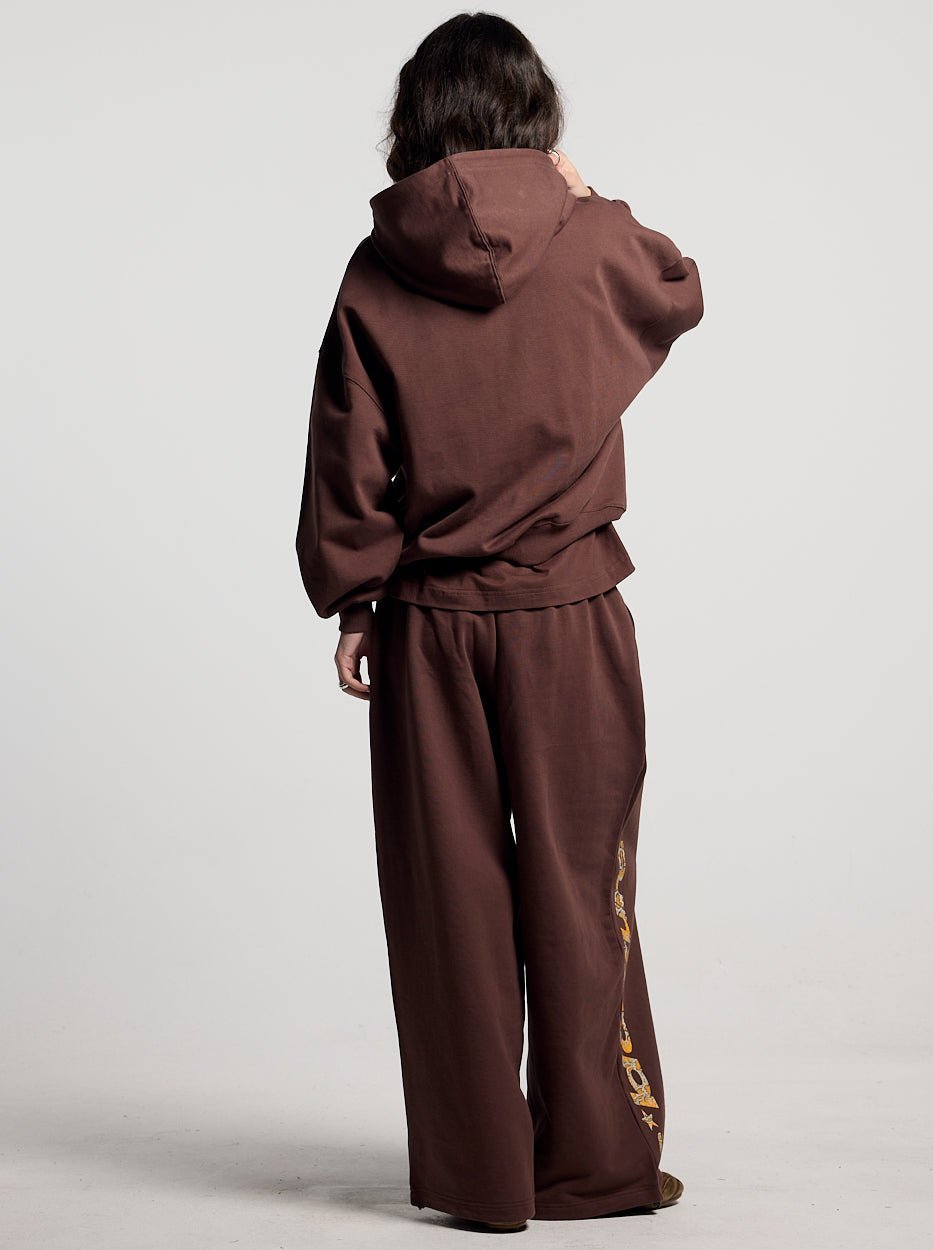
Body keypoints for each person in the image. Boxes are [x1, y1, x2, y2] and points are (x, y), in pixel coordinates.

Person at [295, 11, 704, 1233]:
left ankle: (479, 1178)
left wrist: (356, 598)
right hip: (571, 615)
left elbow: (345, 448)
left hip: (428, 625)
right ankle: (597, 1166)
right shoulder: (596, 240)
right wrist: (584, 195)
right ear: (534, 114)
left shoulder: (377, 267)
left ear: (416, 119)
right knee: (582, 886)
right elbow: (678, 288)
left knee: (451, 903)